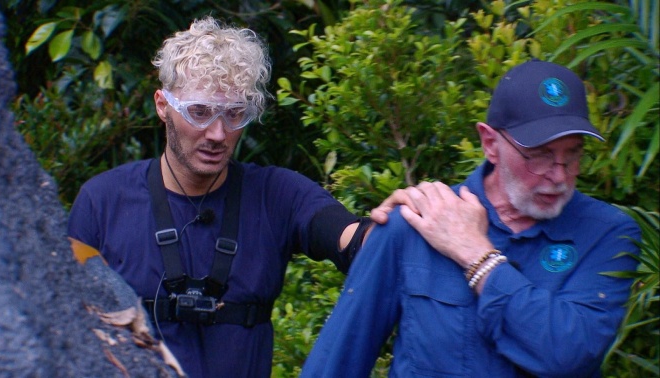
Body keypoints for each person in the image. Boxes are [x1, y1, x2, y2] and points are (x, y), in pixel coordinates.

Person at [67, 16, 385, 378]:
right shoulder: (102, 200)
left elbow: (353, 240)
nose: (218, 134)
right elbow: (67, 322)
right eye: (199, 112)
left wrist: (395, 224)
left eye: (234, 114)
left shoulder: (277, 194)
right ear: (162, 105)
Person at [301, 59, 641, 377]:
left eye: (573, 154)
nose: (559, 176)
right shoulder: (416, 222)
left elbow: (569, 355)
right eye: (540, 156)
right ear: (490, 143)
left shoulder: (608, 234)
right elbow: (338, 357)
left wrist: (477, 256)